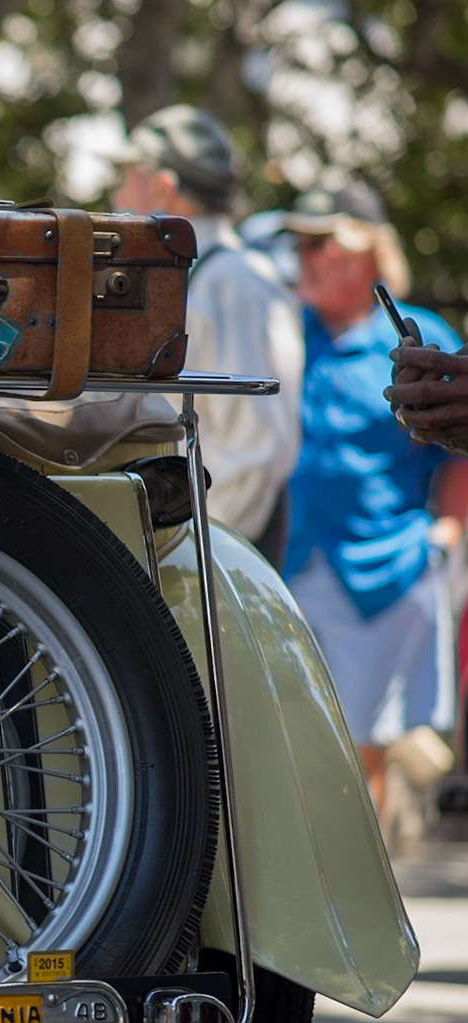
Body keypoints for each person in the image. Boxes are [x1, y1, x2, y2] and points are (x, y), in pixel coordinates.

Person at [283, 181, 460, 811]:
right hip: (297, 562)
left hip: (386, 568)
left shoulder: (420, 335)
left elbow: (459, 447)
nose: (302, 257)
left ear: (364, 251)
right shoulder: (288, 331)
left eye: (318, 243)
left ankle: (367, 869)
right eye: (298, 244)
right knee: (299, 743)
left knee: (359, 752)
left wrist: (447, 534)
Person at [110, 105, 303, 564]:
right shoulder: (203, 279)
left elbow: (256, 452)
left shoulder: (234, 283)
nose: (117, 193)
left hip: (205, 556)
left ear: (163, 186)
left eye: (126, 176)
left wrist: (191, 554)